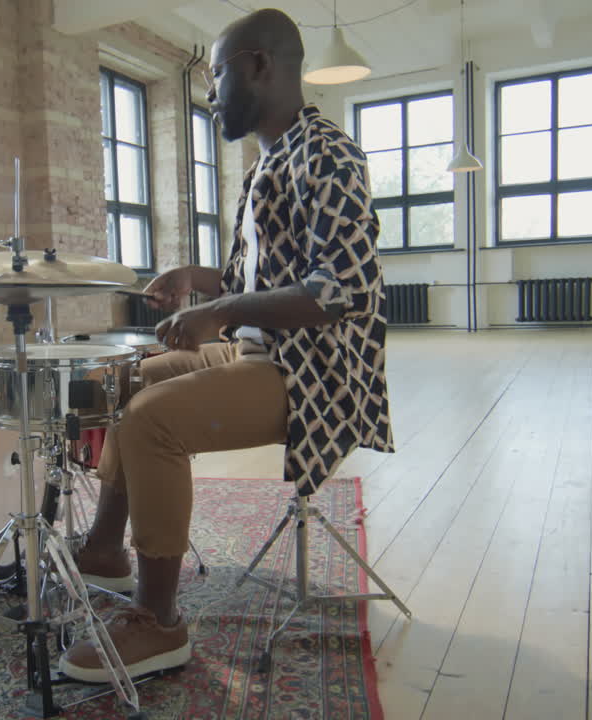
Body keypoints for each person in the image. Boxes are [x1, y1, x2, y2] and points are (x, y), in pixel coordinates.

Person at [57, 7, 392, 683]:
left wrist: (225, 307)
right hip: (257, 352)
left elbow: (341, 289)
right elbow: (253, 280)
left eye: (216, 75)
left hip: (312, 371)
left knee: (150, 422)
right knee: (132, 380)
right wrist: (198, 282)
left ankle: (160, 623)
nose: (211, 94)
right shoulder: (272, 160)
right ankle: (103, 553)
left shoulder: (329, 154)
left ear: (261, 65)